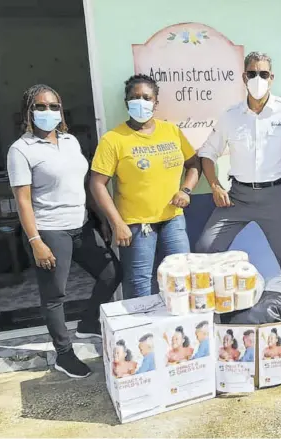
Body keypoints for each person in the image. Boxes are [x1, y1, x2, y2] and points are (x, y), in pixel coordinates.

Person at [8, 84, 122, 379]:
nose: (48, 112)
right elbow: (22, 201)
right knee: (54, 295)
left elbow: (82, 184)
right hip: (49, 231)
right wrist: (35, 241)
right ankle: (64, 354)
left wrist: (102, 219)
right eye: (41, 107)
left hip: (81, 225)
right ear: (29, 112)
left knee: (111, 273)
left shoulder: (70, 141)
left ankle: (88, 324)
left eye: (54, 106)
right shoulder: (21, 150)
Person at [196, 52, 281, 274]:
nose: (258, 78)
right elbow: (207, 153)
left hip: (277, 197)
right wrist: (215, 186)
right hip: (238, 197)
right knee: (206, 248)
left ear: (271, 78)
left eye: (263, 73)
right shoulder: (230, 116)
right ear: (244, 77)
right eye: (252, 73)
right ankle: (218, 302)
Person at [90, 74, 201, 299]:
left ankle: (180, 329)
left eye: (146, 97)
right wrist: (116, 223)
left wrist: (186, 190)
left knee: (182, 278)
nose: (141, 102)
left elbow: (193, 164)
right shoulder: (114, 139)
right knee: (140, 284)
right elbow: (97, 184)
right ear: (126, 103)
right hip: (135, 225)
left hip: (173, 219)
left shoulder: (171, 131)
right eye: (135, 97)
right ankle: (142, 331)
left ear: (156, 102)